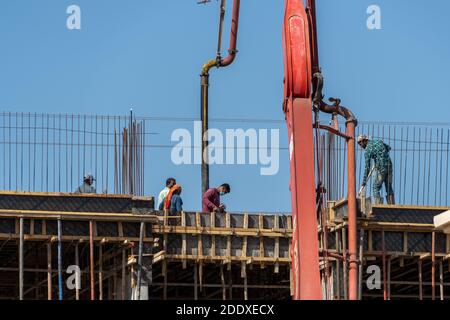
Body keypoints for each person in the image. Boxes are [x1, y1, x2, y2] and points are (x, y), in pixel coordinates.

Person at [358, 135, 394, 205]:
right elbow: (389, 148)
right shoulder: (378, 141)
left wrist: (364, 181)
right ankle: (392, 205)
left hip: (381, 168)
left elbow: (367, 167)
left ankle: (379, 205)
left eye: (360, 143)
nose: (361, 146)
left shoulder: (367, 150)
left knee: (375, 188)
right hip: (389, 165)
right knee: (389, 188)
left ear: (365, 141)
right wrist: (381, 154)